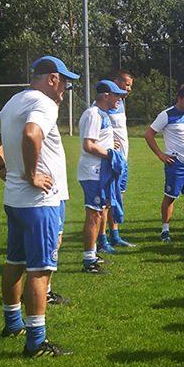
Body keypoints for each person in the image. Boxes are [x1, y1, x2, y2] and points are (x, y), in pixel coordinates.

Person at [0, 55, 78, 357]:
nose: (65, 90)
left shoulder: (15, 100)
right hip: (39, 202)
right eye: (65, 83)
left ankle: (13, 323)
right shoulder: (44, 103)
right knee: (40, 270)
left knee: (15, 262)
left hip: (15, 199)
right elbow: (31, 133)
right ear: (52, 79)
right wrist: (32, 174)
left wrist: (1, 166)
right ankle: (36, 342)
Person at [78, 80, 125, 272]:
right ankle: (89, 260)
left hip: (100, 172)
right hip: (93, 172)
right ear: (106, 95)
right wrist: (110, 154)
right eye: (117, 95)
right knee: (94, 214)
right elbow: (88, 145)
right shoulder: (94, 114)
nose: (120, 99)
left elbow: (98, 140)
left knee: (99, 212)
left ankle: (93, 253)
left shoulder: (102, 114)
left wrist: (111, 145)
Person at [145, 85, 184, 242]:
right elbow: (148, 134)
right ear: (179, 98)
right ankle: (165, 230)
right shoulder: (166, 115)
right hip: (175, 163)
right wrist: (160, 155)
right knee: (170, 197)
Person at [105, 71, 134, 248]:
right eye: (127, 84)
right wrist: (108, 142)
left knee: (118, 196)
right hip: (111, 160)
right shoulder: (105, 103)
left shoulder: (121, 102)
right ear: (116, 82)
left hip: (123, 159)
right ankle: (102, 239)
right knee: (108, 199)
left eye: (130, 86)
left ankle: (115, 235)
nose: (129, 89)